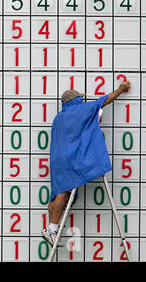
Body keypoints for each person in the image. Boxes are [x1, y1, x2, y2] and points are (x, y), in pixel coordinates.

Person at [42, 81, 131, 247]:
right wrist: (120, 89)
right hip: (72, 160)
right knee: (63, 192)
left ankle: (51, 227)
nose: (83, 102)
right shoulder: (80, 110)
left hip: (58, 160)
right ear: (75, 101)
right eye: (80, 99)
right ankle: (52, 229)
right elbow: (104, 100)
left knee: (59, 192)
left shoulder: (58, 118)